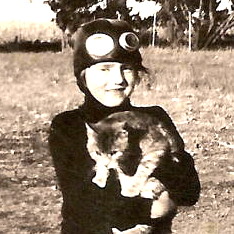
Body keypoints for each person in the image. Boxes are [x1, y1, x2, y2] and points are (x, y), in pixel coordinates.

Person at [49, 18, 200, 234]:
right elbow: (83, 204)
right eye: (104, 70)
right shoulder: (69, 125)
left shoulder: (155, 117)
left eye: (126, 68)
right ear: (83, 75)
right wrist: (156, 206)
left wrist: (161, 197)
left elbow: (190, 190)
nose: (118, 79)